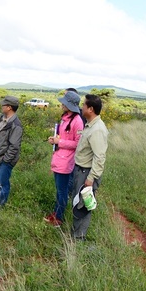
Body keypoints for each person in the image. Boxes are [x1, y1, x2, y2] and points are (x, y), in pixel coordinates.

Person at [70, 94, 109, 241]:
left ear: (90, 109)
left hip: (86, 173)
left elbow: (100, 157)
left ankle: (79, 238)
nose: (82, 108)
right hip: (81, 170)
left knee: (83, 206)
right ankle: (75, 234)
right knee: (77, 203)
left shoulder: (97, 129)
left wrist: (91, 178)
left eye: (84, 105)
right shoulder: (90, 125)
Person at [45, 90, 84, 226]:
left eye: (64, 103)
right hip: (59, 158)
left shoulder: (77, 121)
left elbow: (78, 143)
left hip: (66, 161)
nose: (62, 105)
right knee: (59, 190)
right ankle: (56, 213)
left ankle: (59, 218)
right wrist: (55, 139)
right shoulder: (66, 117)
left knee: (62, 192)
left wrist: (59, 142)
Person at [0, 95, 23, 207]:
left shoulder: (15, 125)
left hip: (4, 160)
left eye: (4, 105)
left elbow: (14, 146)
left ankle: (0, 207)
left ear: (9, 107)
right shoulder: (2, 119)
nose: (1, 106)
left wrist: (5, 160)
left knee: (2, 184)